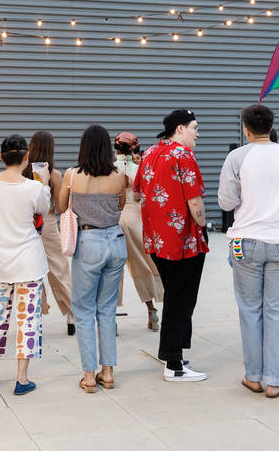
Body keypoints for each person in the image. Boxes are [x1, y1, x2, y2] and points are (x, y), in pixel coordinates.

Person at [218, 104, 279, 398]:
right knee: (276, 311)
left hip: (244, 241)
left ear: (246, 128)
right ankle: (274, 381)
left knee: (249, 310)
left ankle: (253, 377)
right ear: (271, 127)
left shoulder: (237, 157)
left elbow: (225, 202)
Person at [133, 109, 208, 383]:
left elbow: (137, 191)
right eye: (194, 128)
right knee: (181, 301)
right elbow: (195, 201)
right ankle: (174, 364)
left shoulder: (151, 153)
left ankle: (170, 354)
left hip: (156, 240)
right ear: (180, 129)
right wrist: (201, 226)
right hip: (183, 242)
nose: (197, 134)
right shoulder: (183, 156)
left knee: (174, 297)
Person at [0, 135, 50, 396]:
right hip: (28, 262)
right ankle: (21, 379)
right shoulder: (34, 188)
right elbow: (43, 208)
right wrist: (41, 180)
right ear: (26, 158)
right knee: (27, 319)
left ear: (1, 157)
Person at [59, 125, 127, 392]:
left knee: (84, 310)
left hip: (88, 243)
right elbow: (120, 206)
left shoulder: (72, 176)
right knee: (107, 309)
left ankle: (89, 375)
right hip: (116, 241)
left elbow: (62, 206)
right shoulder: (119, 175)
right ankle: (107, 372)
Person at [114, 131, 163, 331]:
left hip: (115, 218)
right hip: (136, 218)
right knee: (143, 265)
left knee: (113, 271)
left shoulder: (110, 168)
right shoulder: (141, 167)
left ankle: (112, 320)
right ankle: (151, 310)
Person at [27, 131, 74, 336]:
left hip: (26, 223)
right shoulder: (54, 174)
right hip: (47, 222)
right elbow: (61, 206)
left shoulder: (22, 172)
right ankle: (72, 315)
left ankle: (35, 313)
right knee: (59, 268)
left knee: (31, 270)